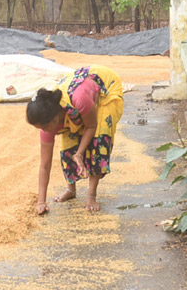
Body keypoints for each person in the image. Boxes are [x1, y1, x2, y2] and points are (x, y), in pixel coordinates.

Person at [26, 65, 124, 214]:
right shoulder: (49, 124)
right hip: (79, 100)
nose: (44, 131)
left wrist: (80, 153)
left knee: (99, 138)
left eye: (45, 126)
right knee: (67, 146)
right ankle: (70, 190)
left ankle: (91, 195)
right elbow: (45, 165)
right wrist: (41, 201)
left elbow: (91, 126)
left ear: (55, 117)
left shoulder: (79, 100)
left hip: (105, 88)